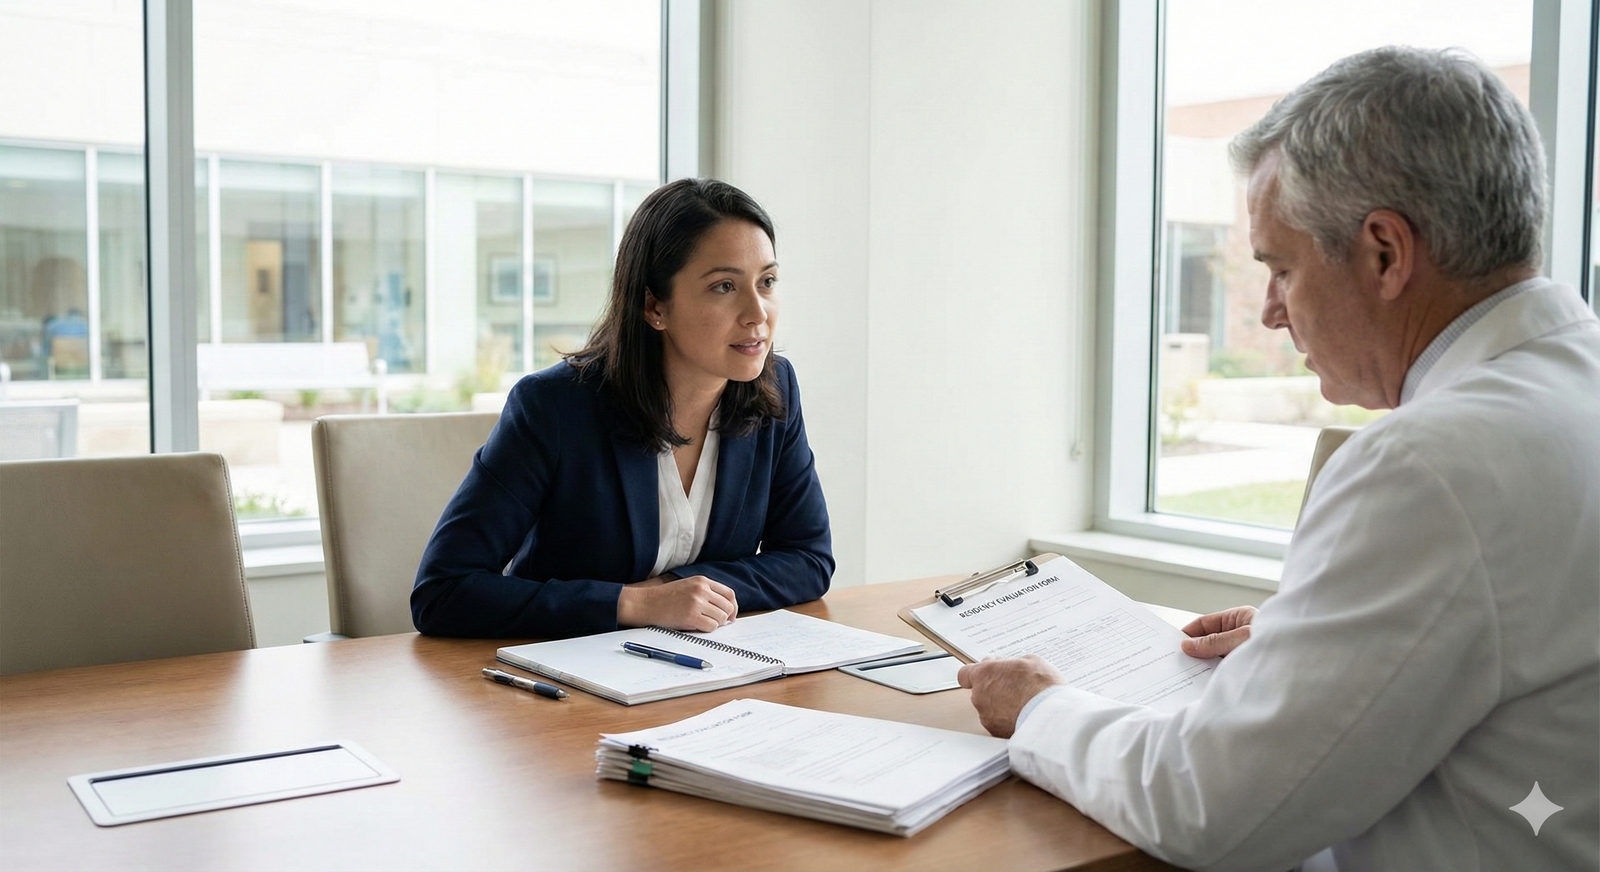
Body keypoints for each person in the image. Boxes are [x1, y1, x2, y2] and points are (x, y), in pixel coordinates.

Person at [958, 46, 1599, 872]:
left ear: (1383, 253)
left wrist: (1043, 708)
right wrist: (1325, 640)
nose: (1267, 313)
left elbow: (1209, 812)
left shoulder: (1427, 468)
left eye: (1280, 268)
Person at [412, 179, 833, 638]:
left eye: (767, 282)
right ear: (654, 306)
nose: (758, 313)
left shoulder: (777, 387)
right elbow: (444, 589)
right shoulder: (553, 408)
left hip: (702, 673)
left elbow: (807, 558)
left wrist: (681, 591)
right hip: (561, 684)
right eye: (724, 286)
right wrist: (634, 603)